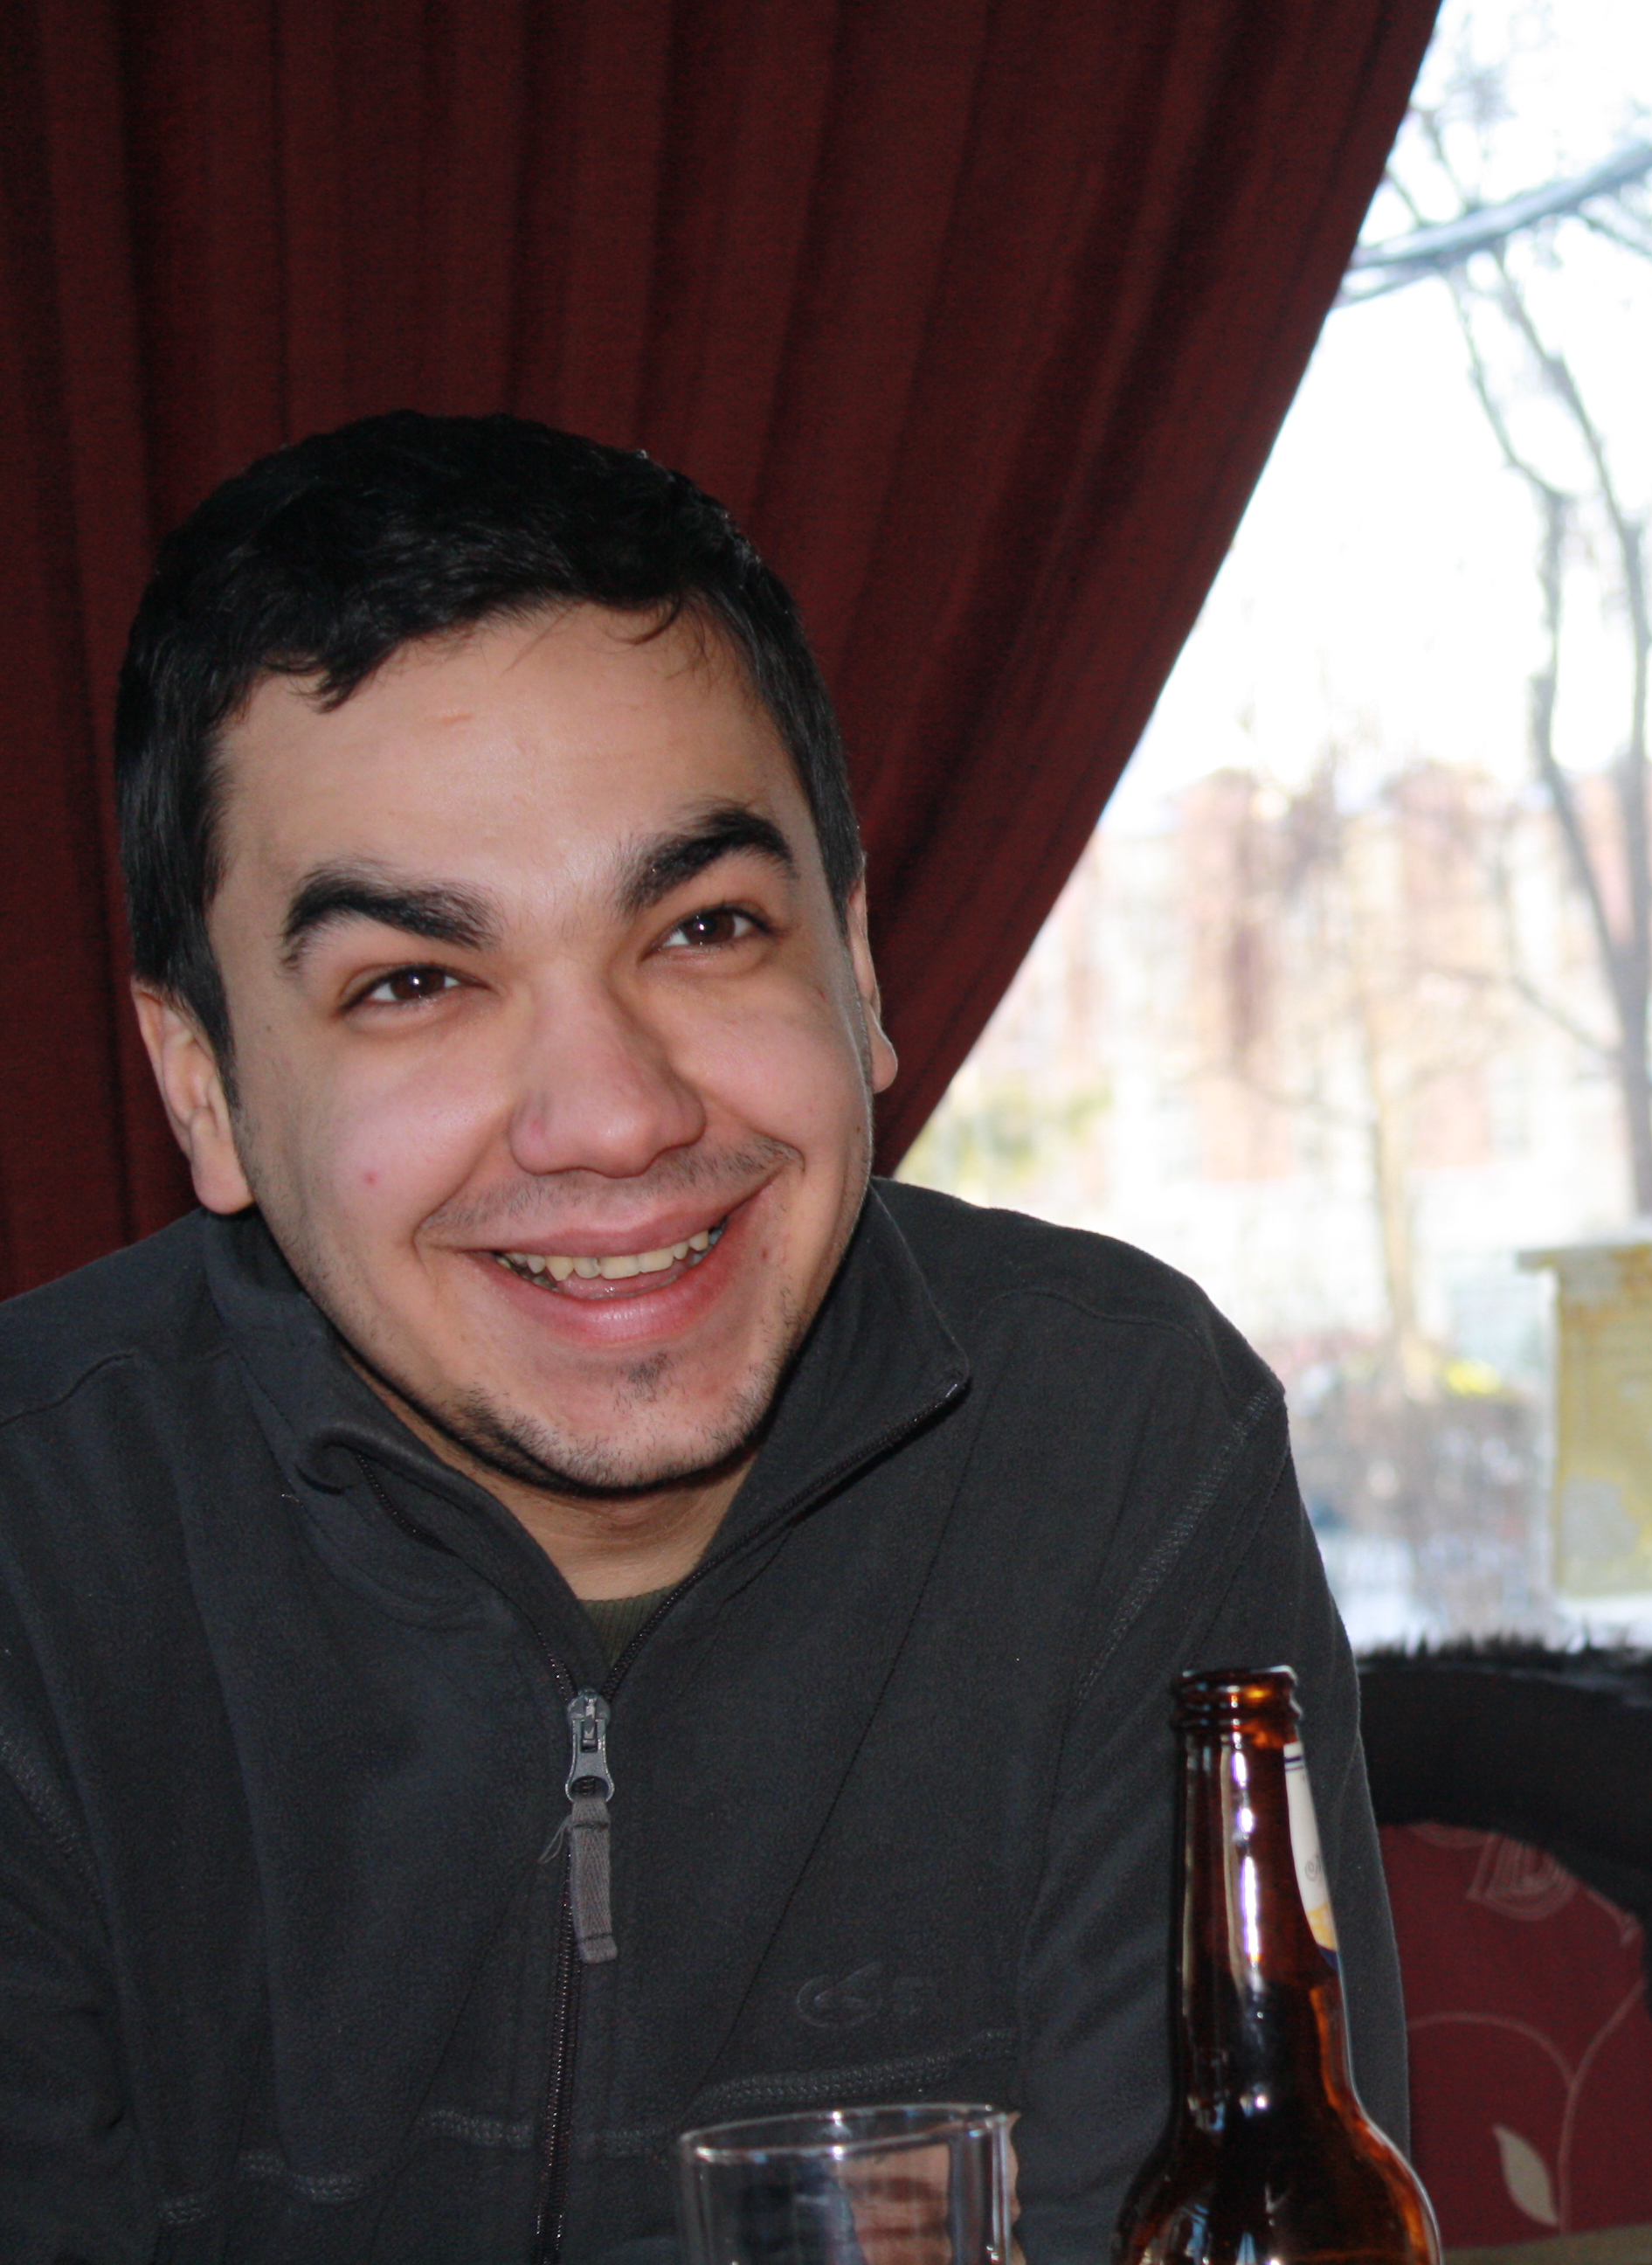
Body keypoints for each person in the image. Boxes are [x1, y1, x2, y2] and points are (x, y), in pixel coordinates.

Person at [0, 411, 1405, 2262]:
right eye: (413, 981)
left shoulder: (1124, 1447)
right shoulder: (36, 1552)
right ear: (205, 1085)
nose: (612, 1114)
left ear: (858, 965)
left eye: (705, 928)